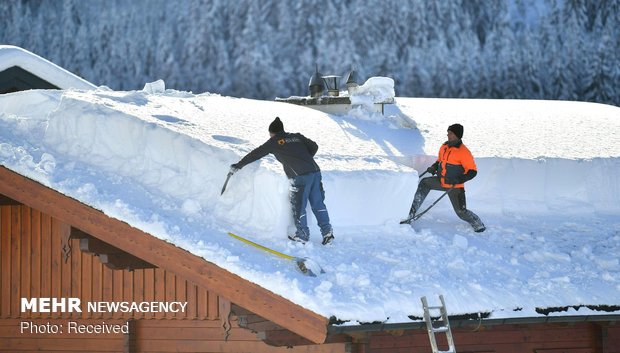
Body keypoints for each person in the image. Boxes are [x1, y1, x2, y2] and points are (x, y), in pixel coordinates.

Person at [230, 117, 334, 245]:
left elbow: (256, 154)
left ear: (272, 133)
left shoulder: (274, 141)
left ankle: (302, 236)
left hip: (300, 175)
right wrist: (304, 158)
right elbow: (314, 146)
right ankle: (327, 232)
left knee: (299, 206)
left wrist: (238, 165)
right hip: (315, 171)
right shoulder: (296, 136)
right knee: (318, 203)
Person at [403, 123, 486, 232]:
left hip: (455, 186)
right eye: (448, 132)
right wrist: (434, 167)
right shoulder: (444, 147)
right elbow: (440, 161)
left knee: (461, 212)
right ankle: (411, 212)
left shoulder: (464, 152)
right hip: (441, 181)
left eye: (450, 133)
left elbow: (472, 171)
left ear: (457, 135)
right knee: (425, 182)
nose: (448, 135)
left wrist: (459, 180)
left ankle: (477, 223)